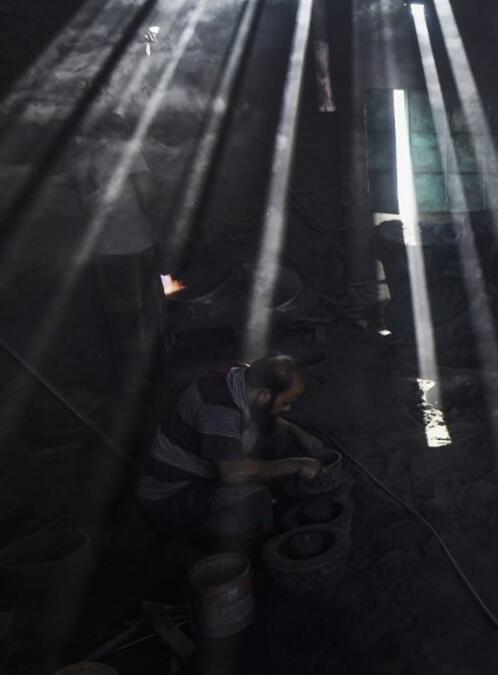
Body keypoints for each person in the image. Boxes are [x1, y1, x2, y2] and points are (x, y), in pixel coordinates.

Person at [136, 355, 327, 551]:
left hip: (205, 471)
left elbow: (263, 412)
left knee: (280, 443)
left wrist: (298, 433)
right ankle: (203, 548)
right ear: (265, 395)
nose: (288, 408)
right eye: (285, 402)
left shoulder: (242, 377)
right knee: (254, 500)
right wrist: (296, 465)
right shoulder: (218, 409)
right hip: (171, 498)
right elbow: (232, 473)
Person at [73, 111, 163, 393]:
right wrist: (159, 226)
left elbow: (84, 204)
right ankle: (147, 376)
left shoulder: (83, 158)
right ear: (120, 130)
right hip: (134, 242)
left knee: (119, 312)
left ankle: (125, 377)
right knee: (144, 307)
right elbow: (146, 194)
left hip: (104, 248)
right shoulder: (128, 150)